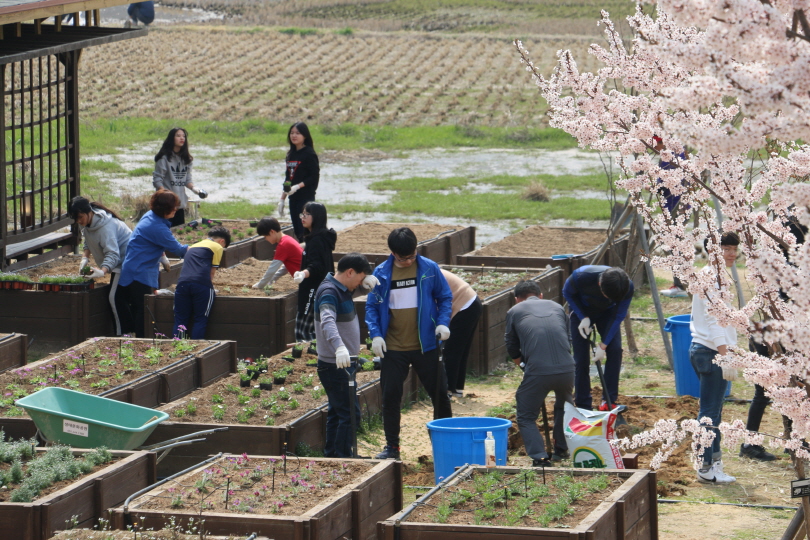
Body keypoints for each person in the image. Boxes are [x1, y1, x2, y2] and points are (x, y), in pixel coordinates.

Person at [365, 227, 453, 460]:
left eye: (412, 256)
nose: (408, 261)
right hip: (394, 348)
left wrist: (442, 323)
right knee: (390, 398)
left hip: (426, 345)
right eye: (403, 258)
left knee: (440, 395)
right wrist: (376, 334)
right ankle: (392, 448)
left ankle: (446, 445)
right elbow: (372, 306)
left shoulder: (429, 268)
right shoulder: (381, 273)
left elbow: (445, 297)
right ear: (393, 253)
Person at [505, 280, 575, 467]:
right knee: (564, 407)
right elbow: (568, 338)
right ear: (540, 295)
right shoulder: (557, 307)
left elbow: (511, 345)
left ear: (517, 299)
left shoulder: (514, 311)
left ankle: (540, 458)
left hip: (538, 370)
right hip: (567, 369)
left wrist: (523, 366)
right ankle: (562, 449)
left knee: (526, 415)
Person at [314, 252, 376, 458]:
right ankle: (344, 458)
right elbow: (327, 321)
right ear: (350, 272)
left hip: (341, 363)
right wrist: (339, 347)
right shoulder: (329, 292)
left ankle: (333, 454)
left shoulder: (341, 289)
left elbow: (352, 289)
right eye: (360, 278)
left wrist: (365, 285)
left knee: (337, 412)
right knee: (350, 414)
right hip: (335, 364)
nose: (360, 283)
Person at [691, 231, 741, 483]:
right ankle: (705, 467)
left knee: (714, 411)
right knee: (710, 413)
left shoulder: (714, 276)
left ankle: (714, 464)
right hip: (711, 352)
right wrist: (725, 356)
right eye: (726, 249)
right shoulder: (712, 278)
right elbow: (714, 321)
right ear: (713, 251)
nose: (732, 254)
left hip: (705, 350)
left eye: (734, 249)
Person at [118, 190, 188, 338]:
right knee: (144, 309)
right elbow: (179, 250)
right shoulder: (157, 227)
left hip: (134, 267)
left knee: (139, 307)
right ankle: (141, 340)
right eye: (173, 207)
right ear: (164, 209)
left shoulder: (150, 216)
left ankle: (136, 337)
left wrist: (162, 255)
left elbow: (151, 241)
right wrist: (201, 249)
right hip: (140, 272)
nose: (176, 210)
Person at [562, 265, 633, 411]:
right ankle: (582, 404)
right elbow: (567, 293)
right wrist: (583, 317)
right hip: (582, 310)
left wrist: (603, 345)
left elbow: (619, 315)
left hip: (608, 314)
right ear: (600, 284)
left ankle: (608, 401)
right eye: (607, 296)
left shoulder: (626, 286)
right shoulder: (580, 277)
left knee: (615, 350)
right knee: (580, 358)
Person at [69, 196, 133, 336]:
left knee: (114, 297)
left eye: (80, 217)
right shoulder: (86, 222)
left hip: (127, 260)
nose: (79, 221)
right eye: (76, 219)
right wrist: (85, 258)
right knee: (120, 296)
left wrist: (102, 271)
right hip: (118, 261)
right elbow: (88, 240)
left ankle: (123, 334)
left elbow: (113, 255)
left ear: (88, 212)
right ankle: (127, 330)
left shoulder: (105, 228)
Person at [172, 226, 231, 339]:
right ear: (222, 241)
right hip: (201, 284)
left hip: (182, 284)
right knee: (200, 319)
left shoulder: (193, 246)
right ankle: (197, 346)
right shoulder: (217, 247)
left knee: (180, 320)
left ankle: (176, 346)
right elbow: (211, 273)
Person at [292, 202, 336, 342]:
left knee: (305, 332)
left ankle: (314, 354)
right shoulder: (319, 238)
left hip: (313, 289)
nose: (302, 217)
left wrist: (303, 274)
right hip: (320, 288)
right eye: (302, 214)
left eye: (307, 214)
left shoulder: (317, 240)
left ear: (317, 216)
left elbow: (317, 266)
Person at [653, 135, 690, 298]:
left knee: (674, 246)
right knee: (675, 245)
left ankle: (681, 285)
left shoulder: (670, 155)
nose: (653, 148)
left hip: (676, 207)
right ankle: (680, 283)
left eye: (654, 143)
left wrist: (653, 186)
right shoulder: (674, 152)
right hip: (676, 206)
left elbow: (666, 183)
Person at [440, 269, 482, 398]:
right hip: (471, 302)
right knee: (460, 350)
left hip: (464, 306)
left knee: (452, 350)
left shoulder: (425, 275)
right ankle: (456, 388)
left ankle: (448, 390)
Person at [153, 127, 207, 227]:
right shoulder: (164, 158)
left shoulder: (187, 159)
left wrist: (196, 190)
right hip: (166, 206)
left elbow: (187, 180)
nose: (182, 138)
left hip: (179, 205)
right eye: (178, 136)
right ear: (171, 138)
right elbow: (157, 180)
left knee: (179, 231)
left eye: (183, 136)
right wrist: (165, 195)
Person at [278, 122, 319, 241]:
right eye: (292, 133)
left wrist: (297, 186)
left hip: (305, 198)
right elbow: (288, 178)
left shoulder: (309, 153)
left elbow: (313, 177)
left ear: (305, 136)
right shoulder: (291, 154)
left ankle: (309, 250)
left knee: (305, 229)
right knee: (297, 229)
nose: (294, 136)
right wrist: (282, 199)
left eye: (297, 133)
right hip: (293, 198)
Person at [252, 217, 303, 289]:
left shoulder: (283, 245)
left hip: (306, 279)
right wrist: (270, 281)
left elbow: (272, 270)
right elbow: (285, 268)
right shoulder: (287, 239)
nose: (266, 239)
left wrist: (260, 285)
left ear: (272, 232)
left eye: (265, 236)